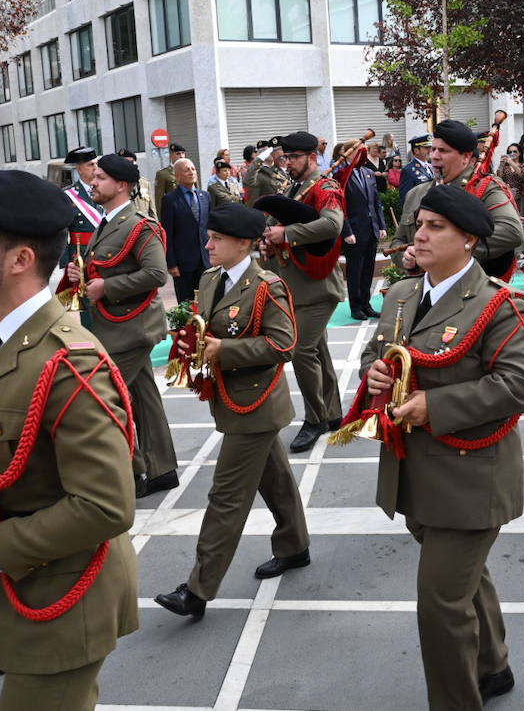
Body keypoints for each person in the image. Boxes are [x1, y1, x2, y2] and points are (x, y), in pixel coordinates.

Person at [0, 169, 138, 711]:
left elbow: (107, 505)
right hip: (37, 583)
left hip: (66, 590)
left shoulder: (67, 361)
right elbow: (22, 455)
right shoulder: (5, 338)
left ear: (19, 260)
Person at [359, 184, 524, 709]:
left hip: (469, 476)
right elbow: (383, 353)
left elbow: (519, 386)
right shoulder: (401, 294)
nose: (420, 234)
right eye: (420, 223)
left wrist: (433, 406)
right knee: (465, 578)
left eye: (436, 227)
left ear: (468, 240)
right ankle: (493, 665)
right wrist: (375, 374)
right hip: (415, 471)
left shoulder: (498, 304)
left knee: (440, 602)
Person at [154, 203, 310, 620]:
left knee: (226, 496)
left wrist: (228, 351)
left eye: (216, 239)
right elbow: (206, 327)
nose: (208, 245)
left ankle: (198, 588)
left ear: (243, 243)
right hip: (229, 397)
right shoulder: (210, 280)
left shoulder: (266, 286)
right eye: (209, 237)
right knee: (274, 477)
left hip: (254, 404)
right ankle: (294, 546)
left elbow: (284, 345)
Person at [65, 153, 179, 498]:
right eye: (93, 177)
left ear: (122, 185)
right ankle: (161, 469)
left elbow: (156, 273)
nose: (93, 182)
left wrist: (107, 287)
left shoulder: (139, 224)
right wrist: (81, 276)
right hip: (115, 327)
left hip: (131, 328)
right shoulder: (108, 220)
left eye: (100, 178)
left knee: (104, 398)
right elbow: (106, 265)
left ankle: (134, 471)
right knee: (144, 397)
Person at [261, 131, 348, 452]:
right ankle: (333, 413)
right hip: (297, 285)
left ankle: (315, 419)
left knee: (301, 351)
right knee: (318, 351)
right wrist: (269, 236)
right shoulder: (296, 187)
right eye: (285, 157)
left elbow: (331, 225)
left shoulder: (325, 187)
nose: (288, 163)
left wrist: (287, 233)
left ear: (312, 157)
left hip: (318, 286)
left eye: (294, 158)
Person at [391, 120, 524, 279]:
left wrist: (452, 251)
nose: (434, 156)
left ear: (466, 157)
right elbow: (398, 242)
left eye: (443, 151)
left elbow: (512, 231)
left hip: (470, 290)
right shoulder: (416, 194)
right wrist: (406, 259)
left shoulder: (486, 188)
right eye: (433, 149)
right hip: (424, 288)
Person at [342, 147, 387, 320]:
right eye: (358, 153)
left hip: (371, 228)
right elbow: (340, 205)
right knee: (355, 270)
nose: (362, 156)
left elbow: (376, 202)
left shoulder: (368, 172)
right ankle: (355, 307)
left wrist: (381, 225)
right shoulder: (342, 175)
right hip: (354, 230)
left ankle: (366, 304)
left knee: (368, 269)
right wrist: (346, 230)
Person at [160, 158, 211, 303]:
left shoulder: (205, 196)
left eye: (193, 169)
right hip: (183, 263)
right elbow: (167, 233)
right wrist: (171, 263)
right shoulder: (170, 200)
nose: (191, 172)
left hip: (205, 260)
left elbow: (211, 228)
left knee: (206, 302)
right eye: (186, 170)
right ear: (177, 176)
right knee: (186, 305)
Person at [59, 147, 104, 275]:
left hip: (107, 255)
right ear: (79, 169)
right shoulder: (68, 195)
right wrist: (67, 264)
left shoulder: (107, 189)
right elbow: (61, 234)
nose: (95, 167)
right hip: (80, 259)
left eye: (97, 163)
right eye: (90, 164)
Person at [120, 149, 156, 218]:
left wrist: (156, 226)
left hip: (145, 224)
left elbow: (152, 209)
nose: (128, 165)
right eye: (125, 162)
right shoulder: (117, 184)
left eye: (131, 162)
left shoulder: (144, 183)